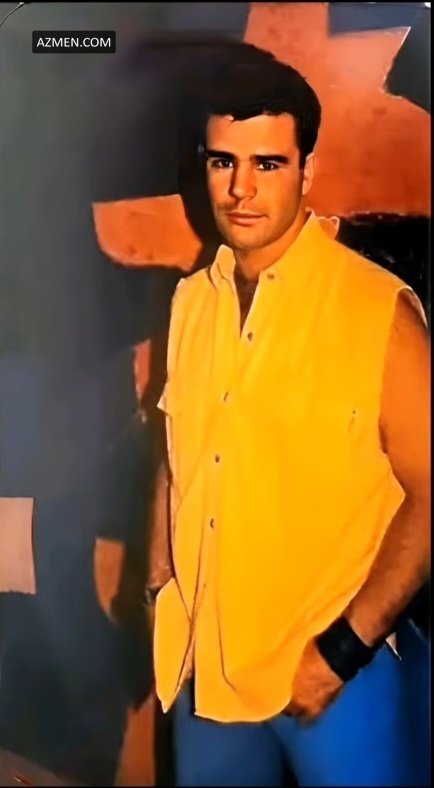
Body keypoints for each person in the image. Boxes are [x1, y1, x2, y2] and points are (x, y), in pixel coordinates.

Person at [144, 51, 431, 787]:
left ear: (306, 170)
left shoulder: (377, 310)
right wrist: (158, 583)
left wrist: (342, 651)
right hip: (208, 668)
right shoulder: (191, 301)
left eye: (267, 164)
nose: (241, 189)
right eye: (223, 162)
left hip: (332, 673)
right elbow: (177, 454)